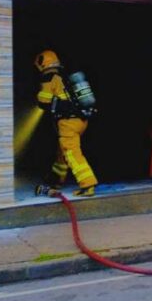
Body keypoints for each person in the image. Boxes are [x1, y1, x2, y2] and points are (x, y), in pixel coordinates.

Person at [34, 50, 98, 197]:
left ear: (42, 62)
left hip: (68, 122)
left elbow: (44, 100)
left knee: (71, 152)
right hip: (81, 119)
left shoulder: (49, 77)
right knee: (62, 151)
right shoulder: (64, 75)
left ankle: (87, 184)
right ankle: (56, 179)